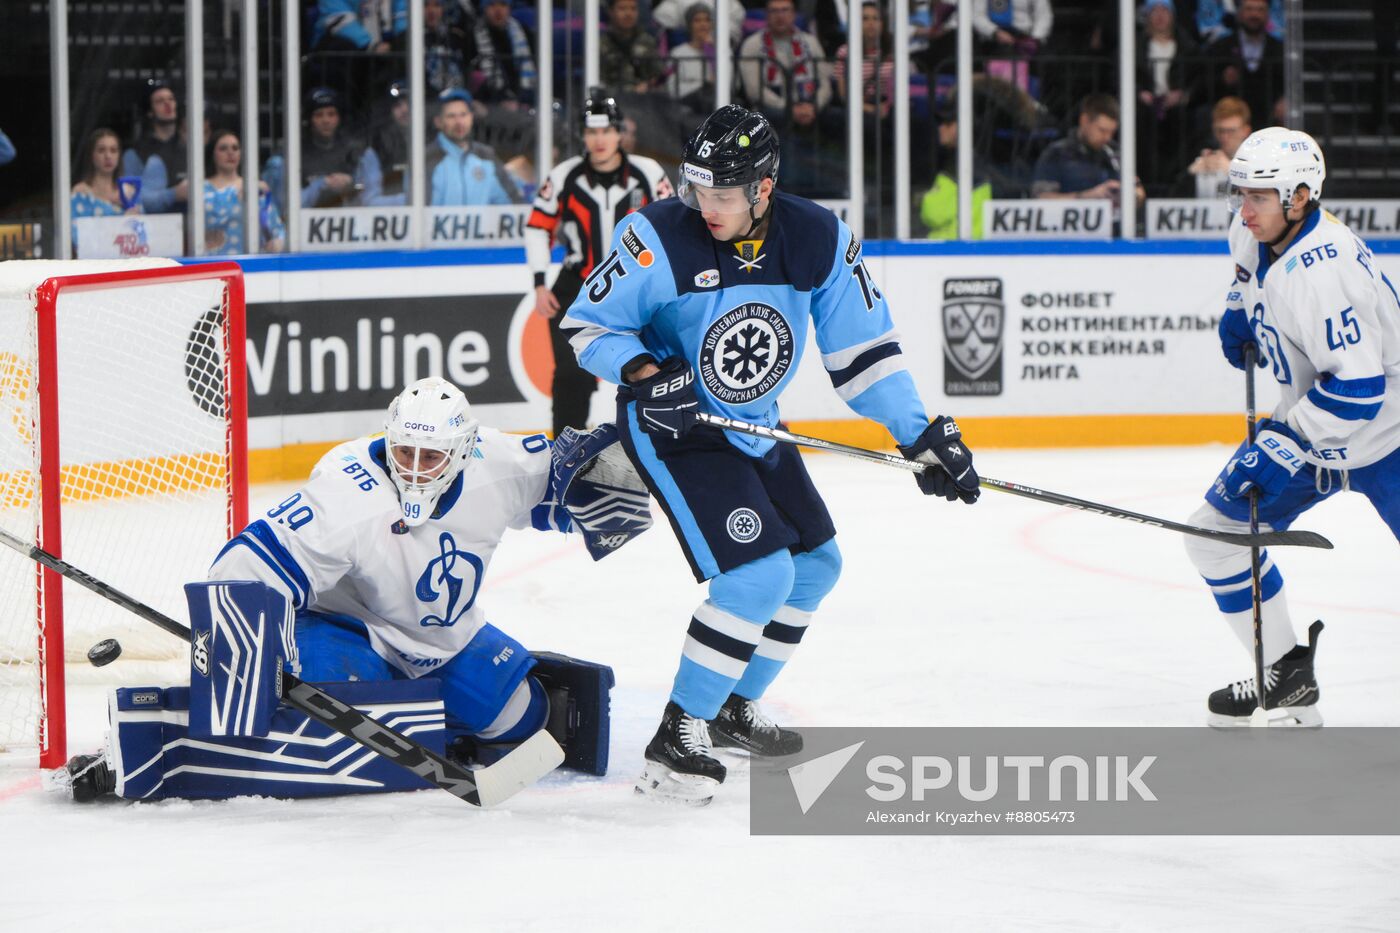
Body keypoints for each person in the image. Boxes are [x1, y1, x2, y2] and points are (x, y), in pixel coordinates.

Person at [560, 105, 981, 804]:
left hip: (753, 422)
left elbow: (864, 354)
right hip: (678, 425)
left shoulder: (816, 237)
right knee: (758, 577)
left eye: (722, 194)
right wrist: (641, 372)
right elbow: (588, 325)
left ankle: (729, 705)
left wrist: (921, 434)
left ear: (764, 186)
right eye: (697, 189)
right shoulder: (657, 235)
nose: (706, 206)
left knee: (816, 564)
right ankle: (678, 731)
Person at [60, 377, 650, 801]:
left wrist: (632, 473)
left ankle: (438, 732)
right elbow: (244, 564)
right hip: (348, 628)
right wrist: (247, 651)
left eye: (432, 454)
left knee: (527, 720)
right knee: (322, 698)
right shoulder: (347, 493)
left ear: (464, 449)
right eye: (405, 451)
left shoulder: (502, 463)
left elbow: (582, 485)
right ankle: (157, 749)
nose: (415, 468)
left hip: (445, 638)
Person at [1184, 128, 1400, 726]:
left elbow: (1359, 390)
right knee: (1214, 538)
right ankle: (1286, 678)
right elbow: (1245, 274)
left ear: (1299, 196)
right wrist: (1238, 310)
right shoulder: (1255, 229)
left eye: (1257, 196)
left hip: (1389, 434)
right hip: (1313, 426)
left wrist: (1285, 441)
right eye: (1239, 194)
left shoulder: (1324, 272)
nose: (1242, 209)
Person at [525, 92, 673, 439]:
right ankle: (564, 455)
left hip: (637, 289)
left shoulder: (648, 173)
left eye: (606, 131)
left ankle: (658, 448)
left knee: (650, 368)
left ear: (620, 132)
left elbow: (673, 223)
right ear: (583, 136)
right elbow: (536, 227)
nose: (600, 140)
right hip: (576, 286)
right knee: (570, 376)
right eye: (592, 133)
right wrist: (539, 283)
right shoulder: (563, 176)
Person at [1032, 93, 1145, 220]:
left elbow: (1139, 191)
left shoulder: (1116, 152)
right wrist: (1089, 196)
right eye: (1102, 130)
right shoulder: (1056, 153)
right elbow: (1041, 200)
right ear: (1084, 120)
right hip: (1071, 231)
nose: (1107, 137)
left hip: (1115, 230)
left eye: (1112, 132)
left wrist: (1131, 195)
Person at [738, 0, 833, 131]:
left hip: (809, 106)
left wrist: (814, 106)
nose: (780, 16)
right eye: (774, 11)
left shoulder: (810, 42)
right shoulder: (752, 44)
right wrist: (789, 109)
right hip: (772, 109)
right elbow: (754, 90)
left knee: (840, 117)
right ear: (766, 15)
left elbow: (825, 84)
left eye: (785, 10)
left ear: (794, 14)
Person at [427, 88, 523, 205]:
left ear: (471, 117)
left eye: (463, 115)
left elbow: (513, 204)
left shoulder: (486, 156)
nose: (459, 122)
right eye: (451, 116)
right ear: (438, 122)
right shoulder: (426, 159)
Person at [203, 129, 286, 255]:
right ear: (212, 153)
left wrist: (277, 243)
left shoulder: (255, 188)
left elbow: (275, 229)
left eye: (235, 148)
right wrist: (235, 193)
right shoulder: (200, 188)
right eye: (223, 148)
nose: (230, 152)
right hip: (210, 265)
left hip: (251, 265)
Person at [1204, 0, 1284, 128]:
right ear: (1239, 13)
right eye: (1249, 9)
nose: (1254, 15)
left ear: (1268, 14)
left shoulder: (1279, 49)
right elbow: (1204, 85)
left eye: (1260, 10)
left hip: (1269, 119)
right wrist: (1223, 79)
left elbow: (1288, 81)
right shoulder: (1220, 47)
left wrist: (1284, 99)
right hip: (1231, 117)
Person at [920, 104, 990, 239]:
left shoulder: (960, 165)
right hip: (969, 248)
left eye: (947, 123)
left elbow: (933, 212)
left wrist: (924, 198)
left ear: (963, 126)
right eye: (940, 123)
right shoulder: (977, 161)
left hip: (950, 250)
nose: (941, 128)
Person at [120, 81, 189, 214]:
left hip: (193, 227)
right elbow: (132, 200)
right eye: (160, 101)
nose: (168, 104)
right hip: (156, 229)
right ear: (150, 112)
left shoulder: (190, 148)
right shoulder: (135, 153)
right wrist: (173, 194)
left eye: (171, 99)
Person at [301, 87, 363, 209]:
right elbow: (286, 204)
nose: (326, 120)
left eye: (331, 114)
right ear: (309, 120)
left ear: (339, 118)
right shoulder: (296, 153)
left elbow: (369, 196)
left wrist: (351, 182)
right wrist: (322, 184)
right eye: (319, 115)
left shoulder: (354, 151)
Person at [1181, 95, 1251, 198]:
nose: (1224, 137)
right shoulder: (1205, 152)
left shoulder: (1258, 160)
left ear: (1246, 131)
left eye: (1231, 131)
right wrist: (1191, 174)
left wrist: (1231, 171)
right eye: (1220, 131)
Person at [470, 0, 538, 105]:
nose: (498, 11)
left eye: (503, 5)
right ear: (484, 9)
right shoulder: (473, 35)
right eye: (492, 5)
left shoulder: (523, 32)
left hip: (524, 100)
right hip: (488, 102)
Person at [71, 127, 140, 227]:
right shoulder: (80, 192)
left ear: (119, 155)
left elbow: (144, 232)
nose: (108, 156)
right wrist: (122, 222)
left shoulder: (130, 192)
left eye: (113, 150)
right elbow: (76, 235)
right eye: (101, 150)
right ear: (91, 155)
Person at [357, 81, 413, 205]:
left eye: (409, 103)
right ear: (389, 111)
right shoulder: (376, 149)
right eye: (397, 105)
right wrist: (410, 202)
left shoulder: (435, 142)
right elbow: (370, 202)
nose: (405, 110)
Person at [600, 0, 665, 93]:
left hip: (644, 101)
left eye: (633, 9)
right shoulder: (601, 44)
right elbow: (599, 82)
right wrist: (630, 90)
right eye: (622, 9)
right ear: (611, 12)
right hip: (613, 101)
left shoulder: (647, 41)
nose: (628, 14)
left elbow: (658, 76)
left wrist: (648, 85)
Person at [666, 3, 718, 113]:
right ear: (689, 25)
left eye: (707, 20)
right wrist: (701, 88)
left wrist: (711, 51)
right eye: (697, 20)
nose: (703, 24)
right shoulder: (677, 53)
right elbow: (672, 88)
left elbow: (730, 84)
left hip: (714, 104)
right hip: (688, 105)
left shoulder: (721, 52)